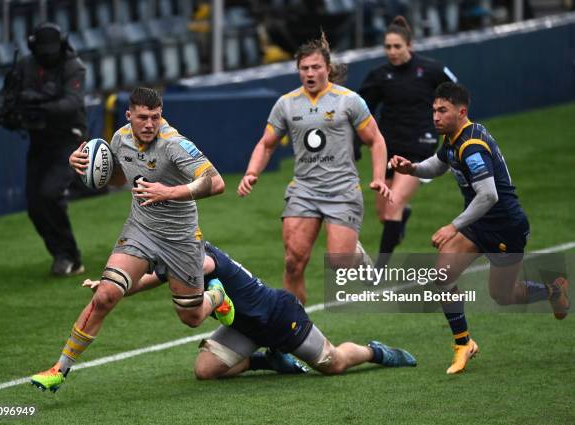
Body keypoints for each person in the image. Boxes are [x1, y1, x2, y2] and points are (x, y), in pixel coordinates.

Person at [30, 87, 232, 393]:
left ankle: (216, 296)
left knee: (191, 317)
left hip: (180, 238)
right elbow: (119, 178)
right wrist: (85, 168)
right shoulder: (120, 138)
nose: (150, 124)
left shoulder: (174, 144)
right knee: (106, 295)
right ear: (129, 116)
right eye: (143, 118)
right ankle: (60, 369)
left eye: (155, 116)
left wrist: (169, 191)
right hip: (141, 230)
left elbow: (216, 182)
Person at [391, 82, 570, 374]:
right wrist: (411, 168)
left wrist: (453, 225)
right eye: (434, 110)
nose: (435, 116)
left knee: (503, 295)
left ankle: (553, 290)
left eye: (442, 111)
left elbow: (489, 195)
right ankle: (464, 344)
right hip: (478, 224)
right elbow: (438, 165)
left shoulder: (471, 146)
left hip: (505, 229)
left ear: (462, 112)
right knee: (442, 275)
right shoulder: (454, 137)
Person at [86, 241, 417, 380]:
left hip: (278, 316)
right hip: (243, 327)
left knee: (333, 364)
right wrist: (115, 285)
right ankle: (268, 360)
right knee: (205, 371)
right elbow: (146, 280)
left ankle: (376, 352)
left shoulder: (198, 256)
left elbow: (196, 266)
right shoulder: (175, 259)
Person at [237, 33, 390, 305]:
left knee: (340, 265)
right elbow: (266, 144)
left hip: (342, 189)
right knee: (293, 261)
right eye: (304, 68)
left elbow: (376, 140)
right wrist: (251, 173)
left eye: (316, 67)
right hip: (304, 190)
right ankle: (294, 327)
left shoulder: (349, 100)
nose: (310, 73)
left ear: (328, 69)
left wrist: (379, 178)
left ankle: (356, 254)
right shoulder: (286, 104)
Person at [358, 16, 457, 269]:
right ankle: (402, 219)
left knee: (393, 205)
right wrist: (356, 143)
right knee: (384, 214)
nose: (392, 52)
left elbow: (456, 94)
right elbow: (360, 110)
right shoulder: (380, 76)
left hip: (419, 146)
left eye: (397, 46)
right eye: (388, 47)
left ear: (409, 46)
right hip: (388, 147)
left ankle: (379, 269)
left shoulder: (431, 70)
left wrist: (453, 130)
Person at [4, 22, 88, 276]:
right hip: (39, 140)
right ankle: (60, 253)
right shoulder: (25, 66)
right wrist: (12, 110)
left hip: (69, 141)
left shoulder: (74, 67)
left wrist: (40, 104)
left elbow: (72, 104)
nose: (49, 55)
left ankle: (71, 256)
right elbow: (9, 99)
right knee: (35, 205)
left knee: (50, 194)